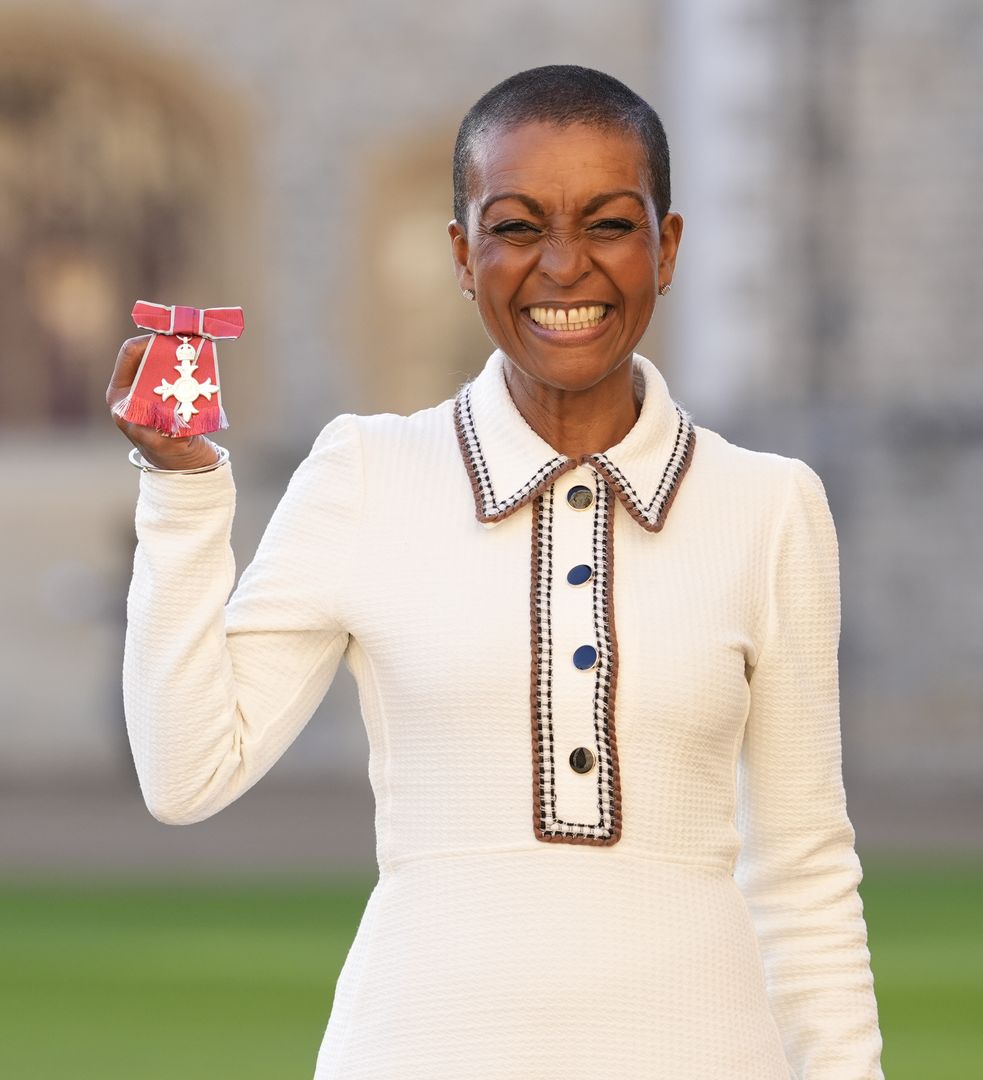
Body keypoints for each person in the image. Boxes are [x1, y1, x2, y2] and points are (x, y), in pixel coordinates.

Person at [107, 65, 884, 1079]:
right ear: (463, 255)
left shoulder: (771, 505)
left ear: (669, 246)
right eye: (517, 227)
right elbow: (184, 772)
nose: (564, 267)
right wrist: (182, 494)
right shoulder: (366, 473)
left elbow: (805, 874)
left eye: (609, 224)